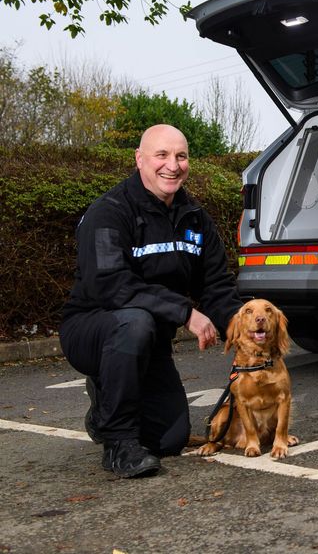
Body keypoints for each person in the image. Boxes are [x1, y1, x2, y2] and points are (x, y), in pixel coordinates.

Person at [59, 124, 242, 478]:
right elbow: (111, 285)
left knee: (169, 439)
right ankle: (118, 444)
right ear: (140, 159)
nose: (172, 165)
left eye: (181, 156)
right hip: (94, 330)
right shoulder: (109, 212)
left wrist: (244, 329)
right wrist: (186, 313)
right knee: (135, 321)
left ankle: (102, 411)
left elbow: (216, 286)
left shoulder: (195, 218)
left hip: (148, 339)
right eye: (162, 155)